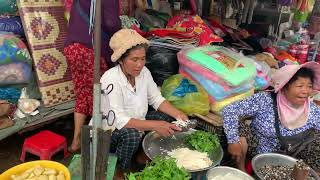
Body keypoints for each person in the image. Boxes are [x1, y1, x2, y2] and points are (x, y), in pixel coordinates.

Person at [101, 29, 188, 179]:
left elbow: (156, 99)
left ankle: (142, 155)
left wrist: (178, 114)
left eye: (143, 59)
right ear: (121, 60)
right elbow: (119, 120)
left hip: (137, 121)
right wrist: (155, 125)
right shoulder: (110, 79)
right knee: (132, 135)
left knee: (165, 117)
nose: (140, 64)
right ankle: (119, 169)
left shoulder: (144, 72)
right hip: (111, 132)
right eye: (134, 60)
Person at [222, 62, 320, 173]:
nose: (306, 91)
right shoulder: (264, 99)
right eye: (300, 86)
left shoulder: (312, 109)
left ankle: (309, 175)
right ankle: (241, 171)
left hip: (292, 157)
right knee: (239, 127)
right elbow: (230, 110)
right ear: (284, 87)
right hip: (259, 150)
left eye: (309, 86)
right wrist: (233, 141)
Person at [64, 0, 121, 152]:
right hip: (91, 50)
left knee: (83, 94)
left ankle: (76, 141)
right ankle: (96, 142)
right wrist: (123, 30)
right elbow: (111, 22)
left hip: (73, 48)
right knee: (102, 94)